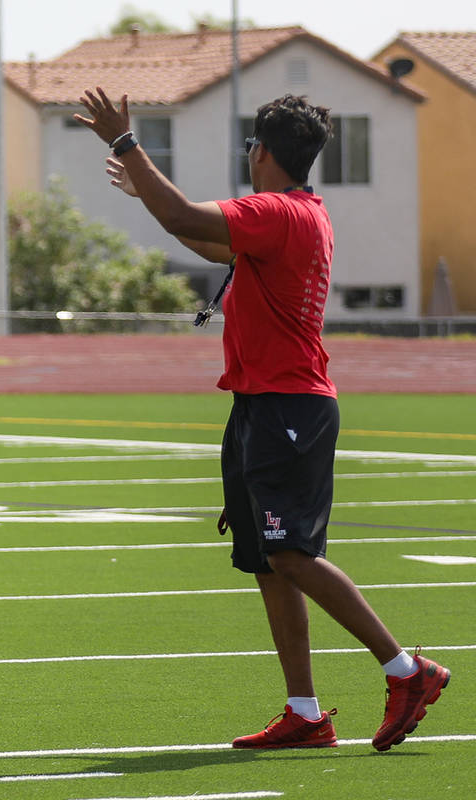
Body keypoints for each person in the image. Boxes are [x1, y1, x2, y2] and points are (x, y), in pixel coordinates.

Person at [74, 91, 450, 750]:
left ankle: (407, 670)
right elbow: (196, 233)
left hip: (289, 405)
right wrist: (147, 193)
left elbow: (182, 215)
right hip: (259, 404)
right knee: (268, 564)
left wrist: (128, 146)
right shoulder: (288, 215)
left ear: (262, 153)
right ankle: (305, 714)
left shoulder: (277, 210)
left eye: (250, 147)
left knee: (292, 555)